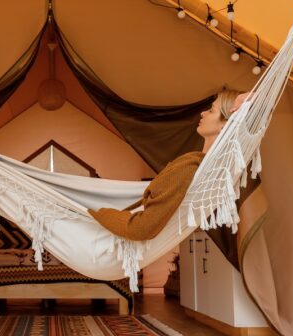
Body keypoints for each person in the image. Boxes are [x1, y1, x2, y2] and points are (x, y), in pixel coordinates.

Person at [88, 89, 247, 241]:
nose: (203, 113)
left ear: (225, 125)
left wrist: (96, 213)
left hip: (111, 240)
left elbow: (140, 228)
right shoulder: (210, 169)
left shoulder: (190, 167)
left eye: (211, 110)